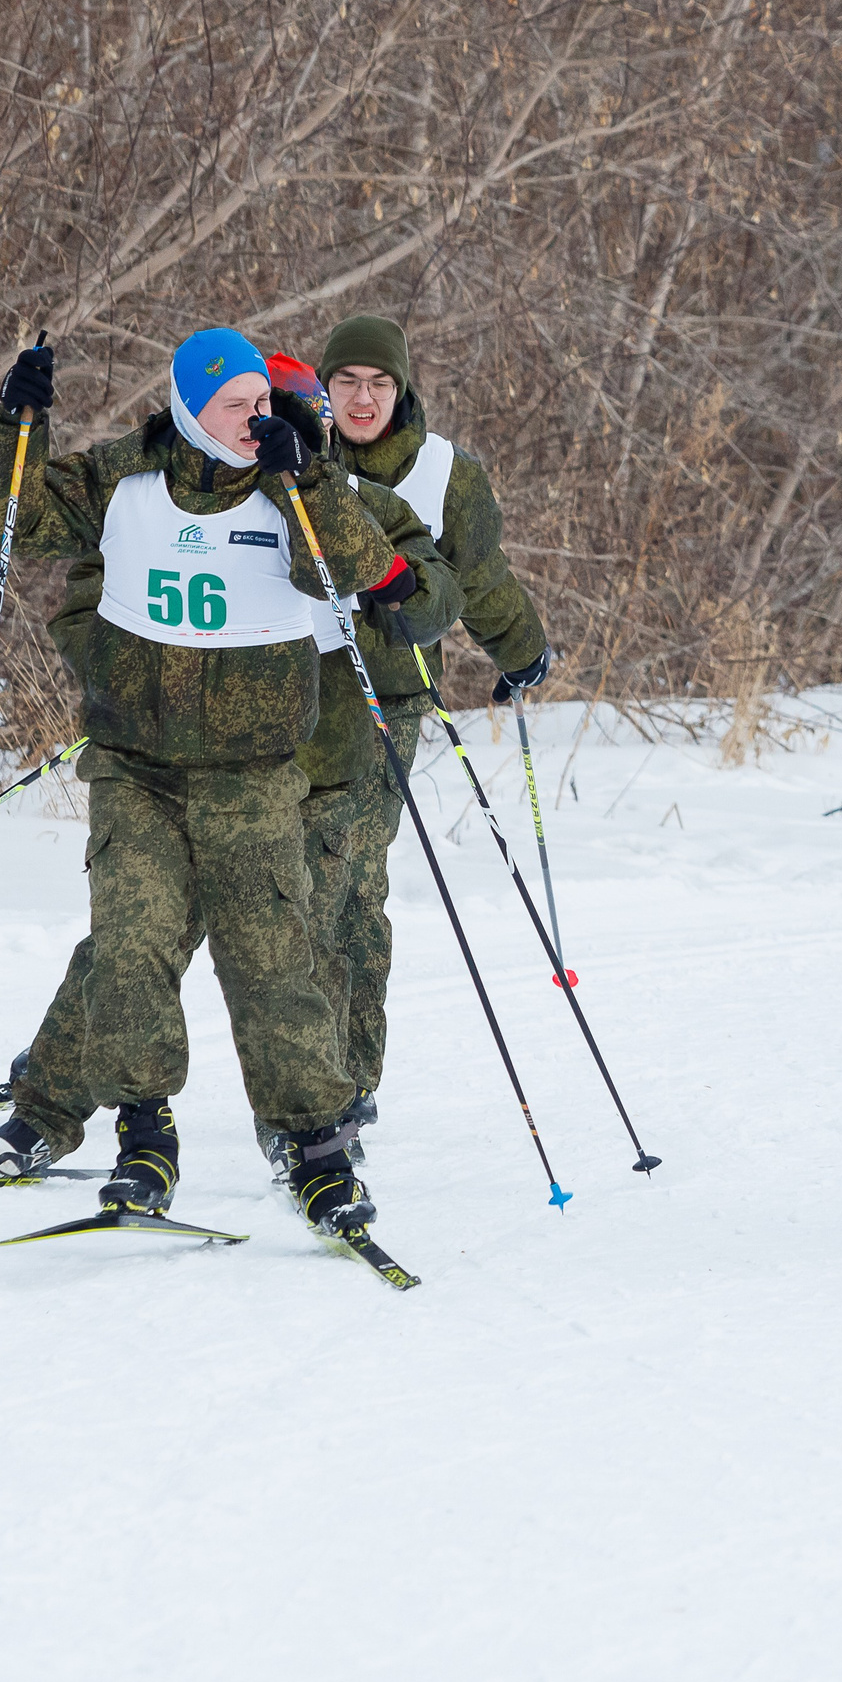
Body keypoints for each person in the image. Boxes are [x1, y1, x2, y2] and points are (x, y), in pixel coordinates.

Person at [0, 330, 431, 1234]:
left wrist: (309, 476)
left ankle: (318, 1149)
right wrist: (14, 421)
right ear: (188, 410)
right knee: (129, 945)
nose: (255, 417)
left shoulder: (290, 482)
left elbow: (366, 570)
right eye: (235, 406)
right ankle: (144, 1138)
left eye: (263, 400)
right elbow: (6, 509)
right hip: (137, 764)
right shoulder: (123, 479)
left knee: (269, 958)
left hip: (252, 771)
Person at [295, 314, 550, 1140]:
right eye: (346, 383)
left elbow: (479, 576)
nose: (362, 399)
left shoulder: (445, 473)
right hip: (284, 693)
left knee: (346, 880)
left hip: (387, 703)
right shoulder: (292, 453)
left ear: (402, 391)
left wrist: (521, 651)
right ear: (325, 389)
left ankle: (345, 1077)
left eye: (379, 384)